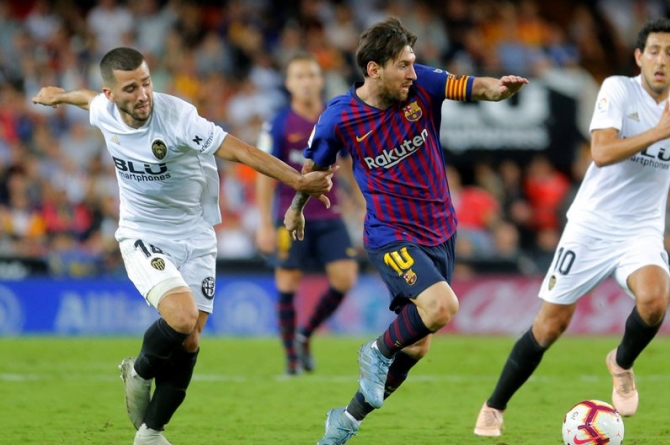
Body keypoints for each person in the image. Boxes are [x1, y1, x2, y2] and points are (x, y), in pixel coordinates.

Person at [31, 47, 334, 445]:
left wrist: (297, 180)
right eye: (130, 88)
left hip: (196, 235)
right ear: (112, 94)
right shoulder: (104, 110)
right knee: (181, 316)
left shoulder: (177, 117)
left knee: (191, 339)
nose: (143, 94)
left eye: (146, 83)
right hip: (142, 233)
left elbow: (241, 150)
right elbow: (88, 99)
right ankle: (139, 371)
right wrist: (61, 95)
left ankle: (150, 433)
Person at [282, 17, 528, 445]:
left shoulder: (425, 85)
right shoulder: (340, 117)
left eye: (413, 63)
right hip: (389, 233)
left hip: (440, 232)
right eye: (403, 65)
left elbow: (476, 87)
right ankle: (375, 351)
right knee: (441, 307)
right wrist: (296, 209)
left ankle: (345, 421)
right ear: (374, 69)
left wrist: (500, 89)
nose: (413, 73)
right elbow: (313, 170)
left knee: (416, 345)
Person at [474, 17, 670, 437]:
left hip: (641, 229)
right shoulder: (618, 90)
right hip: (591, 226)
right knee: (550, 325)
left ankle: (621, 362)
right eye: (654, 51)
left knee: (654, 301)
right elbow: (600, 152)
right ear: (639, 57)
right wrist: (657, 131)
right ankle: (494, 406)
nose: (661, 60)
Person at [255, 52, 364, 375]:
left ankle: (305, 334)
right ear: (289, 84)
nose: (306, 82)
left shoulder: (334, 118)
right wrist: (264, 224)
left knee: (345, 277)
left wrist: (363, 205)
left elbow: (348, 164)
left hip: (329, 214)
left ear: (320, 81)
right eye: (299, 76)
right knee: (288, 281)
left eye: (312, 75)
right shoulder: (278, 124)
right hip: (289, 215)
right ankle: (291, 361)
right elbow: (264, 175)